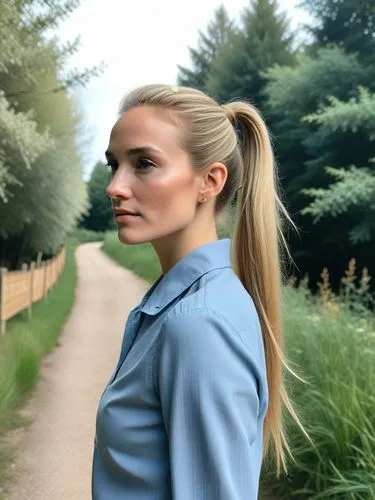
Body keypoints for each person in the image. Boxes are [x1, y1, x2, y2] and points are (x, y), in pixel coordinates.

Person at [92, 83, 299, 499]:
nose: (115, 186)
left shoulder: (197, 323)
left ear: (210, 181)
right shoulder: (190, 303)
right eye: (114, 164)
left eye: (145, 163)